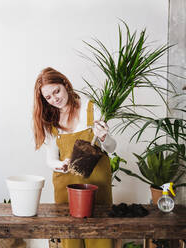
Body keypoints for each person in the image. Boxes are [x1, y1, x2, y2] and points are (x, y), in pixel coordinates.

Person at [33, 67, 117, 248]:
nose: (55, 99)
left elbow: (111, 148)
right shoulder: (50, 120)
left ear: (65, 84)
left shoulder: (91, 108)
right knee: (71, 241)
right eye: (48, 97)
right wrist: (60, 164)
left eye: (56, 91)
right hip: (66, 189)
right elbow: (51, 159)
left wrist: (103, 137)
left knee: (100, 238)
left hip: (97, 187)